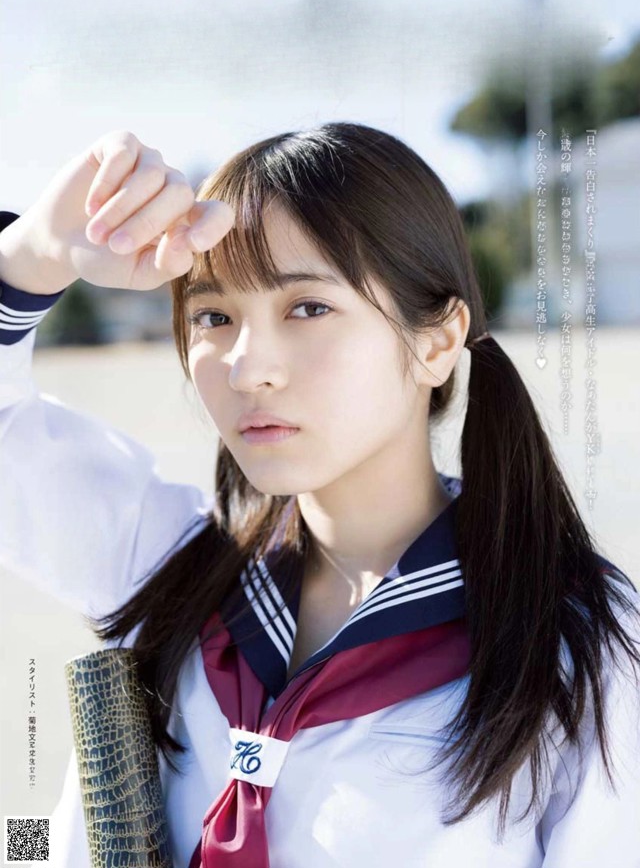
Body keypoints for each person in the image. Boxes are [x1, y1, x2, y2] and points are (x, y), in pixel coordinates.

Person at [1, 123, 639, 868]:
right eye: (214, 316)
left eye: (307, 308)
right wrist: (28, 260)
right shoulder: (168, 570)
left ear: (435, 341)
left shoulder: (570, 637)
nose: (246, 368)